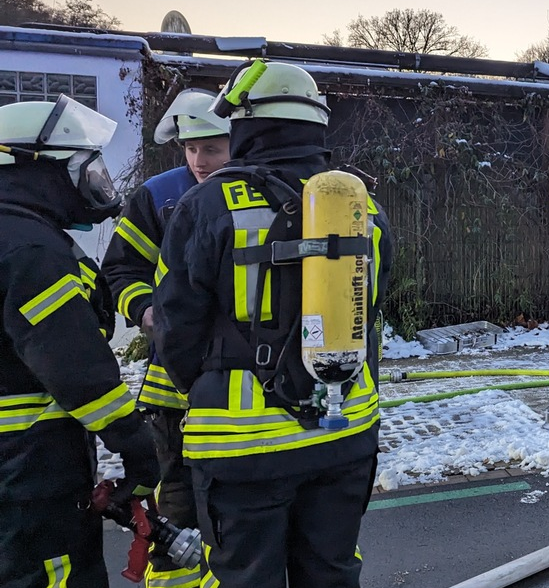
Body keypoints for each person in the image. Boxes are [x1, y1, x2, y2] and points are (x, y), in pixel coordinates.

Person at [153, 61, 392, 587]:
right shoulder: (361, 206)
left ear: (246, 125)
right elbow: (369, 307)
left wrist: (211, 382)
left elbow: (175, 326)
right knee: (330, 574)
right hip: (344, 432)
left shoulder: (206, 204)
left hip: (243, 447)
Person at [0, 95, 160, 587]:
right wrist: (138, 446)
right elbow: (77, 369)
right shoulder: (32, 251)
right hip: (28, 470)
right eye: (80, 166)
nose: (92, 179)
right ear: (37, 171)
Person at [101, 88, 230, 588]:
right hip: (170, 389)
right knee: (175, 504)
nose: (199, 160)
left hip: (241, 385)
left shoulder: (266, 194)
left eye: (212, 148)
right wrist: (145, 309)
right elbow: (121, 267)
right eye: (190, 148)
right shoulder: (160, 195)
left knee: (235, 505)